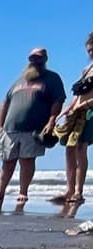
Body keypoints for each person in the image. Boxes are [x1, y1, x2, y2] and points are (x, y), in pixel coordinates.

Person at [0, 46, 65, 213]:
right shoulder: (19, 80)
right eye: (32, 58)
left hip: (34, 129)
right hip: (10, 129)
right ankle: (0, 192)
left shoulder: (52, 79)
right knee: (7, 162)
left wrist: (52, 120)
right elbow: (4, 103)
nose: (35, 61)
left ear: (45, 59)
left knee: (27, 160)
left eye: (39, 58)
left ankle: (23, 192)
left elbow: (58, 101)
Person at [47, 32, 93, 218]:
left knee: (81, 148)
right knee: (69, 148)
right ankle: (69, 189)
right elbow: (78, 95)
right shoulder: (87, 69)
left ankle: (78, 191)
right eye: (89, 50)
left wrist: (83, 105)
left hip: (90, 112)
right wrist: (67, 109)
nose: (90, 52)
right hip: (77, 111)